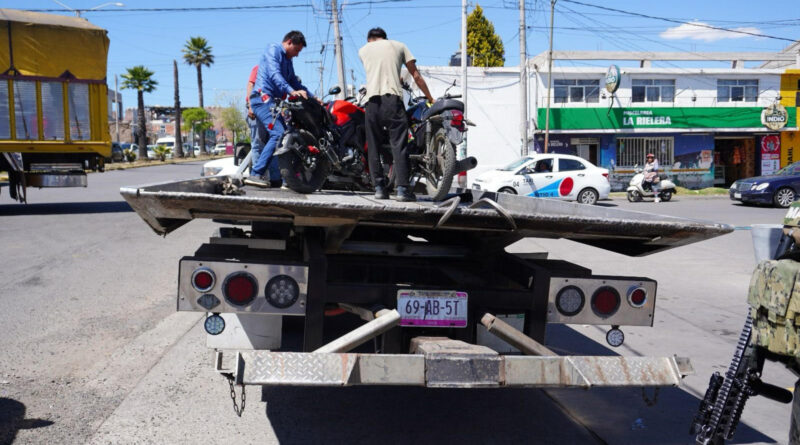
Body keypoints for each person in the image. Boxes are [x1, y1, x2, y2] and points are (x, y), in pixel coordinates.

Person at [358, 27, 433, 202]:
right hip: (392, 101)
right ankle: (402, 190)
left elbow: (378, 71)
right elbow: (415, 75)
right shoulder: (399, 46)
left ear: (370, 39)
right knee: (399, 145)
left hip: (372, 103)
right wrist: (430, 98)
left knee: (373, 146)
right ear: (385, 38)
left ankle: (379, 188)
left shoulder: (363, 50)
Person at [247, 31, 313, 188]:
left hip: (273, 103)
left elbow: (294, 82)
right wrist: (291, 92)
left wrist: (313, 97)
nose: (297, 54)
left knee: (284, 135)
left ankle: (282, 179)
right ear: (289, 42)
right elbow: (275, 75)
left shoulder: (288, 61)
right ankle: (255, 174)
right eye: (296, 50)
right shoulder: (273, 49)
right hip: (262, 99)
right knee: (277, 134)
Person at [245, 65, 266, 177]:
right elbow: (250, 85)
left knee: (273, 143)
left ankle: (275, 178)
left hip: (269, 109)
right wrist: (251, 105)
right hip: (256, 107)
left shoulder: (278, 68)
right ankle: (257, 176)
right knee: (258, 143)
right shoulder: (259, 67)